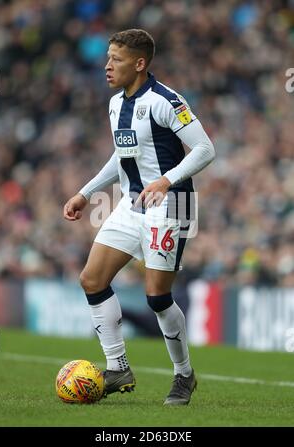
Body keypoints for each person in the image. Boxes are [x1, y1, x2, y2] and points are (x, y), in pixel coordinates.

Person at [64, 29, 215, 405]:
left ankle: (184, 376)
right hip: (133, 203)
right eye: (108, 58)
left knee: (157, 296)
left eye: (115, 59)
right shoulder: (116, 104)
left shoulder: (167, 100)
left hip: (172, 203)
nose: (107, 65)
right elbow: (122, 157)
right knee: (92, 278)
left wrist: (166, 180)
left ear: (140, 63)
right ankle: (118, 367)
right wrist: (86, 192)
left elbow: (204, 148)